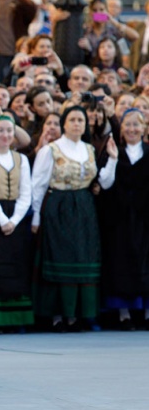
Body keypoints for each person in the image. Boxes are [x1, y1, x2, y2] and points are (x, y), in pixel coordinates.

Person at [31, 105, 118, 332]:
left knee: (82, 258)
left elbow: (104, 183)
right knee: (59, 255)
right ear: (64, 123)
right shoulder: (50, 150)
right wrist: (36, 218)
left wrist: (113, 159)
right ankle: (58, 315)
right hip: (58, 207)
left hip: (84, 209)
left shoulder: (89, 149)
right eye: (73, 119)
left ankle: (77, 315)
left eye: (81, 120)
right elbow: (38, 186)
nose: (77, 123)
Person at [0, 115, 33, 331]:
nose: (5, 135)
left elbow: (26, 193)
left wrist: (15, 220)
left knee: (18, 264)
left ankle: (18, 321)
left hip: (16, 217)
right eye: (0, 130)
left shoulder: (21, 159)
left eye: (9, 131)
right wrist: (2, 219)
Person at [100, 109, 149, 331]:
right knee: (121, 262)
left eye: (136, 125)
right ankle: (124, 314)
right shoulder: (114, 152)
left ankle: (146, 312)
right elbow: (105, 183)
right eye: (127, 125)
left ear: (144, 129)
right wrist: (111, 159)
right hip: (119, 219)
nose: (132, 129)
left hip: (145, 218)